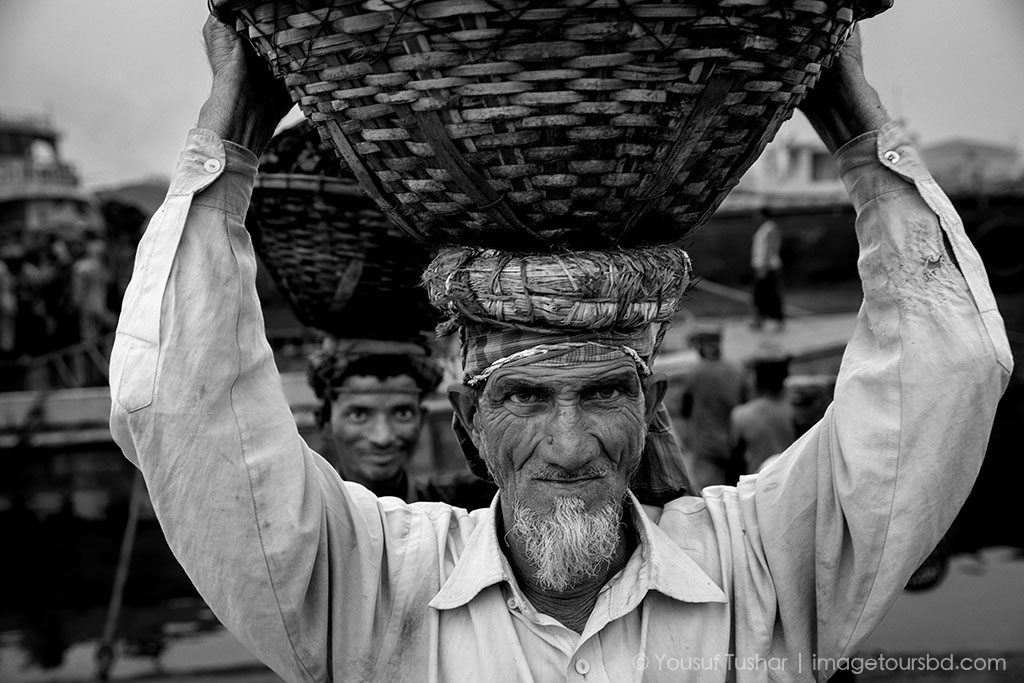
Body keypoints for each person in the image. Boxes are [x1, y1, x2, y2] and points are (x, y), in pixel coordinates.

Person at [109, 16, 1010, 683]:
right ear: (469, 417)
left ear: (652, 406)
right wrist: (230, 141)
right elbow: (181, 408)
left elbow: (953, 372)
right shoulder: (380, 586)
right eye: (527, 398)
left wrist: (860, 137)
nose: (571, 444)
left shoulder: (759, 569)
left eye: (604, 393)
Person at [307, 336, 497, 509]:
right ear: (324, 422)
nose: (383, 437)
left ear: (421, 419)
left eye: (402, 413)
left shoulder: (463, 508)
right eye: (359, 415)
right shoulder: (308, 520)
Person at [678, 327, 747, 488]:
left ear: (702, 347)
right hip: (735, 445)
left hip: (707, 447)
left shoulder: (695, 373)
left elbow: (685, 408)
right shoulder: (737, 370)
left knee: (711, 494)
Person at [729, 352, 796, 476]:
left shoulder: (742, 415)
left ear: (757, 381)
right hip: (792, 477)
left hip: (758, 480)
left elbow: (736, 462)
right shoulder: (795, 410)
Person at [750, 207, 785, 331]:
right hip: (761, 266)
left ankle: (776, 319)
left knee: (770, 294)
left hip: (768, 267)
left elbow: (770, 248)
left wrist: (764, 267)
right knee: (761, 294)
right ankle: (761, 318)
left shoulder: (770, 228)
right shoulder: (764, 228)